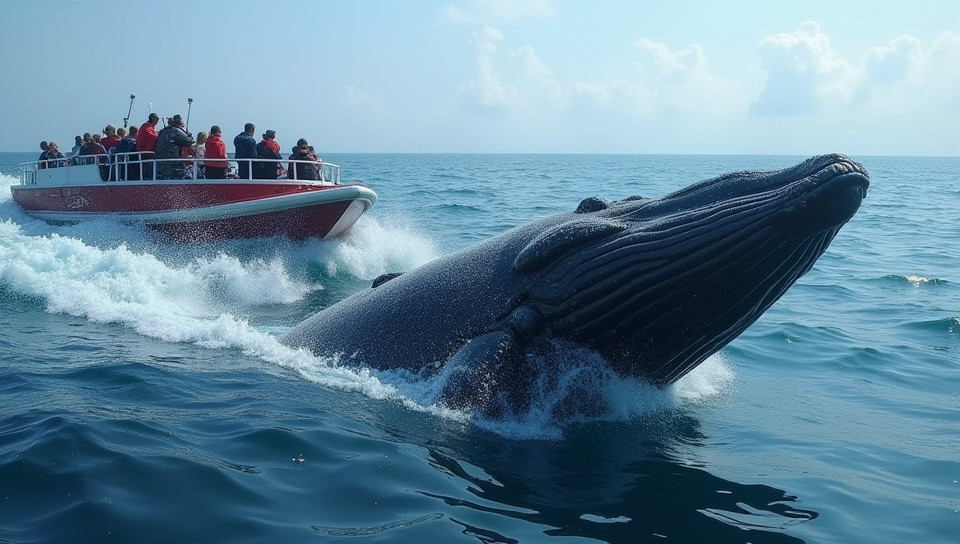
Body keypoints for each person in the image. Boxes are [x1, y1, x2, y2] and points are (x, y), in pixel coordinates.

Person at [154, 114, 195, 180]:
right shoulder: (175, 131)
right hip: (172, 163)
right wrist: (188, 134)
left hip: (159, 164)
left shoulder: (162, 131)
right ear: (179, 122)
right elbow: (190, 141)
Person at [135, 113, 161, 179]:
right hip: (146, 152)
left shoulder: (145, 126)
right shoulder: (147, 127)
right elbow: (153, 137)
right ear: (153, 119)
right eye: (157, 119)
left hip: (144, 152)